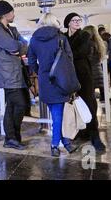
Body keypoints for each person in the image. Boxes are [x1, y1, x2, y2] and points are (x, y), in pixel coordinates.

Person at [28, 13, 79, 156]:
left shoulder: (34, 40)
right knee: (57, 115)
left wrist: (41, 72)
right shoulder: (61, 38)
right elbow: (70, 59)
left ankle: (66, 143)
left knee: (56, 113)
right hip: (60, 80)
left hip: (45, 80)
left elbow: (31, 62)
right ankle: (55, 145)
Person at [63, 13, 106, 151]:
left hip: (84, 75)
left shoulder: (84, 36)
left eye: (78, 20)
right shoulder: (64, 37)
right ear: (68, 23)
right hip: (69, 75)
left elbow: (79, 52)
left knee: (89, 104)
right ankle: (80, 131)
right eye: (73, 20)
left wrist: (67, 52)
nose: (77, 22)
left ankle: (95, 136)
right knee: (72, 104)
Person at [0, 1, 28, 150]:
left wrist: (19, 48)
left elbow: (24, 44)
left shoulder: (13, 29)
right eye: (12, 12)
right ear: (5, 14)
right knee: (19, 104)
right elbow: (13, 46)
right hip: (6, 74)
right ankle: (12, 137)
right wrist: (16, 47)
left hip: (15, 73)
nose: (14, 15)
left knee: (13, 105)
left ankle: (13, 138)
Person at [83, 25, 107, 102]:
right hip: (98, 70)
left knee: (90, 96)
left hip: (91, 71)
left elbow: (88, 58)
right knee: (100, 92)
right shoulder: (99, 43)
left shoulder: (89, 44)